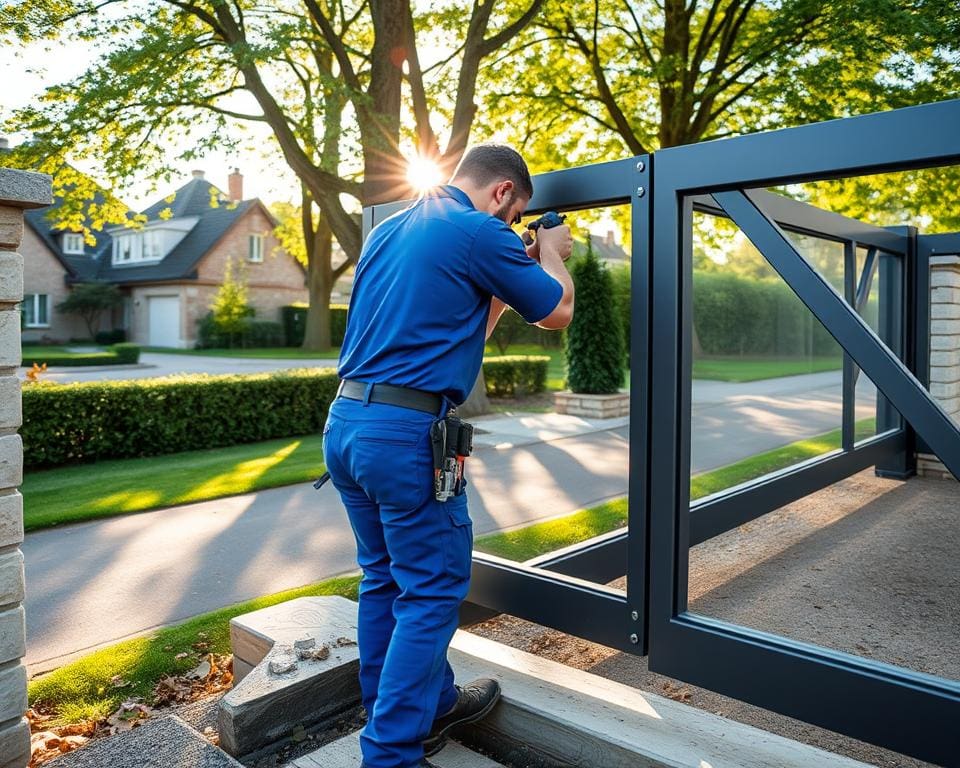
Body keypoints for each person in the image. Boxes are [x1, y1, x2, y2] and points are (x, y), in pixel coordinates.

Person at [323, 143, 574, 768]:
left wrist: (500, 278)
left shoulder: (390, 230)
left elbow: (459, 325)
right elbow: (558, 312)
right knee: (432, 590)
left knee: (385, 579)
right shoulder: (480, 230)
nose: (510, 229)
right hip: (405, 437)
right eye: (514, 217)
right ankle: (389, 754)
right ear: (503, 195)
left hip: (349, 422)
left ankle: (423, 709)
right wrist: (551, 258)